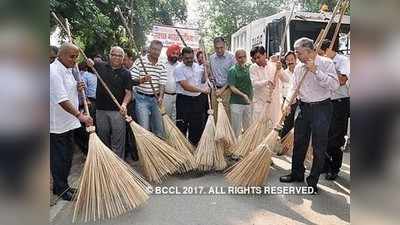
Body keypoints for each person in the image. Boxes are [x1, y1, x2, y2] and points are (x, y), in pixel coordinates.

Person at [279, 37, 339, 194]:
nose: (296, 55)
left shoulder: (326, 63)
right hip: (303, 108)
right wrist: (287, 104)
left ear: (308, 50)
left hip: (322, 108)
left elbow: (334, 85)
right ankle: (296, 173)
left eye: (298, 52)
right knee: (299, 143)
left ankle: (313, 180)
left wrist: (316, 71)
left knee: (318, 146)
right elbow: (293, 87)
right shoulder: (299, 68)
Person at [86, 46, 148, 158]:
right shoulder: (100, 66)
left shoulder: (126, 73)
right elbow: (89, 63)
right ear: (109, 55)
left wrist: (124, 104)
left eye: (119, 55)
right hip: (101, 110)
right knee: (103, 137)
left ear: (123, 58)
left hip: (118, 111)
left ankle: (119, 163)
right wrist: (89, 62)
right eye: (114, 54)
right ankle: (106, 161)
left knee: (118, 139)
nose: (116, 57)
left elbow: (128, 93)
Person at [50, 43, 93, 201]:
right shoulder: (53, 72)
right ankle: (61, 189)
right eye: (72, 56)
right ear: (60, 55)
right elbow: (61, 100)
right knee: (59, 158)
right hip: (58, 125)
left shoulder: (68, 70)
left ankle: (63, 186)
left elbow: (68, 91)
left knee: (67, 156)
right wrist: (80, 115)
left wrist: (77, 86)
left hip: (68, 122)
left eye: (76, 57)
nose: (75, 60)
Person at [320, 39, 351, 180]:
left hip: (340, 103)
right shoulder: (322, 61)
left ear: (329, 49)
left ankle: (335, 168)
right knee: (323, 136)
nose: (321, 56)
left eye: (322, 52)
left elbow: (343, 80)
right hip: (325, 101)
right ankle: (325, 165)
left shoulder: (343, 61)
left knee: (336, 138)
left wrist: (329, 71)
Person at [131, 40, 167, 138]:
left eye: (158, 50)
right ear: (149, 49)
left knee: (159, 129)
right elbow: (132, 79)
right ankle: (146, 152)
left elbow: (162, 83)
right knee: (144, 129)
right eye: (154, 49)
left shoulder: (162, 64)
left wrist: (161, 97)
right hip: (141, 99)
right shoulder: (140, 61)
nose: (156, 52)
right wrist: (142, 80)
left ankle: (158, 150)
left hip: (155, 100)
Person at [175, 47, 210, 145]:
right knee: (182, 125)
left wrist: (206, 69)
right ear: (182, 57)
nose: (189, 60)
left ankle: (193, 147)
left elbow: (202, 80)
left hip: (197, 101)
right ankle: (182, 149)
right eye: (187, 58)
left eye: (191, 57)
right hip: (184, 100)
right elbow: (185, 86)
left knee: (196, 126)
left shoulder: (197, 67)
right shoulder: (178, 68)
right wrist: (202, 90)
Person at [249, 46, 287, 126]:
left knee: (273, 127)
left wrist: (280, 69)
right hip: (260, 102)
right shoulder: (253, 68)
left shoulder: (274, 65)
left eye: (258, 57)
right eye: (254, 58)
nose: (257, 60)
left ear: (265, 55)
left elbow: (285, 79)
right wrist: (267, 82)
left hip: (274, 103)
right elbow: (254, 84)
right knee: (258, 127)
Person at [228, 49, 253, 137]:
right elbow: (232, 87)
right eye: (240, 57)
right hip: (236, 103)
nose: (242, 59)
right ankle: (234, 147)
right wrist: (243, 95)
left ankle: (246, 147)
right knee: (236, 128)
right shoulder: (232, 70)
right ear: (236, 58)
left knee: (248, 127)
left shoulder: (250, 67)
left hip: (248, 102)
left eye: (244, 57)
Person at [209, 37, 236, 118]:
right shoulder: (211, 58)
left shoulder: (231, 57)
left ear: (225, 46)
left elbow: (232, 77)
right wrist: (211, 78)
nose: (219, 50)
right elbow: (211, 75)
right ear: (214, 47)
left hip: (227, 91)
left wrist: (222, 89)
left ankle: (226, 131)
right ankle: (217, 131)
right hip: (215, 91)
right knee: (215, 115)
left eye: (221, 47)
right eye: (217, 48)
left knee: (226, 115)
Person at [279, 51, 299, 139]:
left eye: (292, 59)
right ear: (285, 61)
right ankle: (283, 144)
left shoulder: (300, 71)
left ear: (296, 59)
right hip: (286, 101)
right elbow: (280, 89)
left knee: (298, 124)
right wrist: (286, 104)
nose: (290, 61)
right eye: (288, 60)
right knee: (287, 124)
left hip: (299, 101)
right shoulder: (283, 73)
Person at [163, 44, 181, 121]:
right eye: (173, 53)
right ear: (168, 53)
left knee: (175, 119)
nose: (175, 56)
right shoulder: (163, 65)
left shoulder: (180, 66)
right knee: (165, 119)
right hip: (166, 96)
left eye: (177, 54)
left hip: (178, 97)